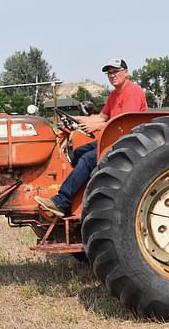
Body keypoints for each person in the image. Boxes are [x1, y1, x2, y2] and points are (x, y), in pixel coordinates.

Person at [35, 58, 148, 217]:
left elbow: (123, 124)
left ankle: (62, 202)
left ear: (125, 72)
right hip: (115, 139)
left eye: (116, 71)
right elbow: (102, 117)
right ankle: (81, 196)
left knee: (88, 159)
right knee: (79, 152)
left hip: (128, 142)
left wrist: (98, 127)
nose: (112, 75)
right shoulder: (114, 94)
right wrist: (76, 119)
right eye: (109, 73)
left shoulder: (132, 92)